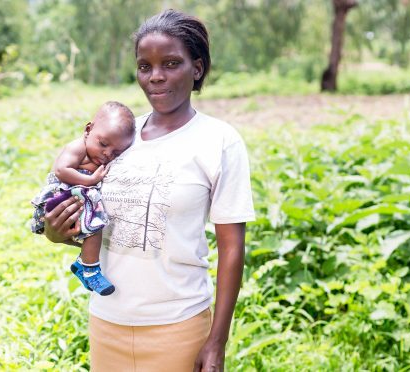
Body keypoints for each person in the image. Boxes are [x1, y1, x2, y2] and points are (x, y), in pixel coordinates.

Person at [43, 9, 255, 372]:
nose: (156, 77)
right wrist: (54, 232)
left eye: (171, 63)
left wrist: (217, 342)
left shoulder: (218, 141)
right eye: (145, 66)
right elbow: (93, 223)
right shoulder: (116, 138)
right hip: (107, 322)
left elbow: (232, 247)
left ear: (198, 68)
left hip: (179, 326)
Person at [31, 101, 136, 296]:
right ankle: (88, 269)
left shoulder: (101, 151)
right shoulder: (77, 147)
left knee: (95, 229)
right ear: (88, 129)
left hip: (81, 198)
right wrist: (91, 180)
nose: (107, 154)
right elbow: (61, 170)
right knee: (94, 227)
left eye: (116, 153)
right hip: (62, 197)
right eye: (103, 144)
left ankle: (87, 267)